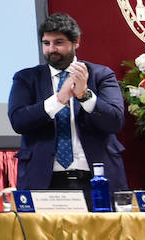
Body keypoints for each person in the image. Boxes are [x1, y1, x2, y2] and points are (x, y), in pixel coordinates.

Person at [8, 12, 127, 200]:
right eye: (46, 43)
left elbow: (115, 121)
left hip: (96, 180)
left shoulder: (101, 75)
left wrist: (84, 95)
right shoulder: (26, 78)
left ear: (76, 42)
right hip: (44, 181)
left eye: (59, 42)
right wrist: (59, 99)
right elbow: (19, 121)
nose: (51, 49)